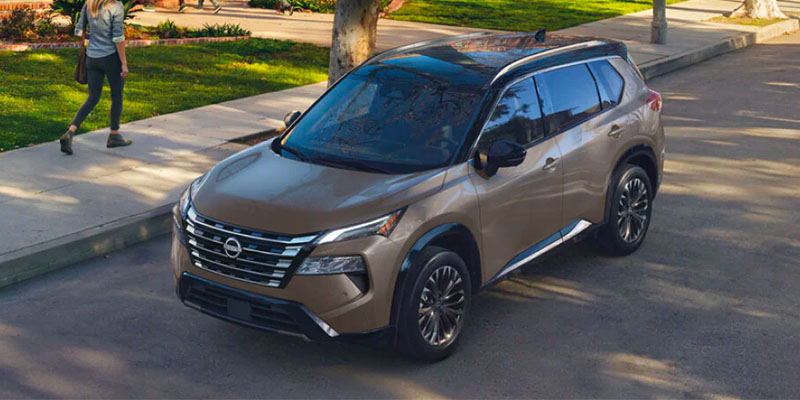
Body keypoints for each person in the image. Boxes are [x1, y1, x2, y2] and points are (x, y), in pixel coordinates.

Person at [60, 0, 131, 155]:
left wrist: (95, 34)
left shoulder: (89, 4)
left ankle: (70, 132)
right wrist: (124, 63)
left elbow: (78, 30)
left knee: (93, 98)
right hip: (110, 58)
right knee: (117, 95)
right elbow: (118, 38)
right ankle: (114, 135)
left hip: (92, 58)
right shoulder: (116, 6)